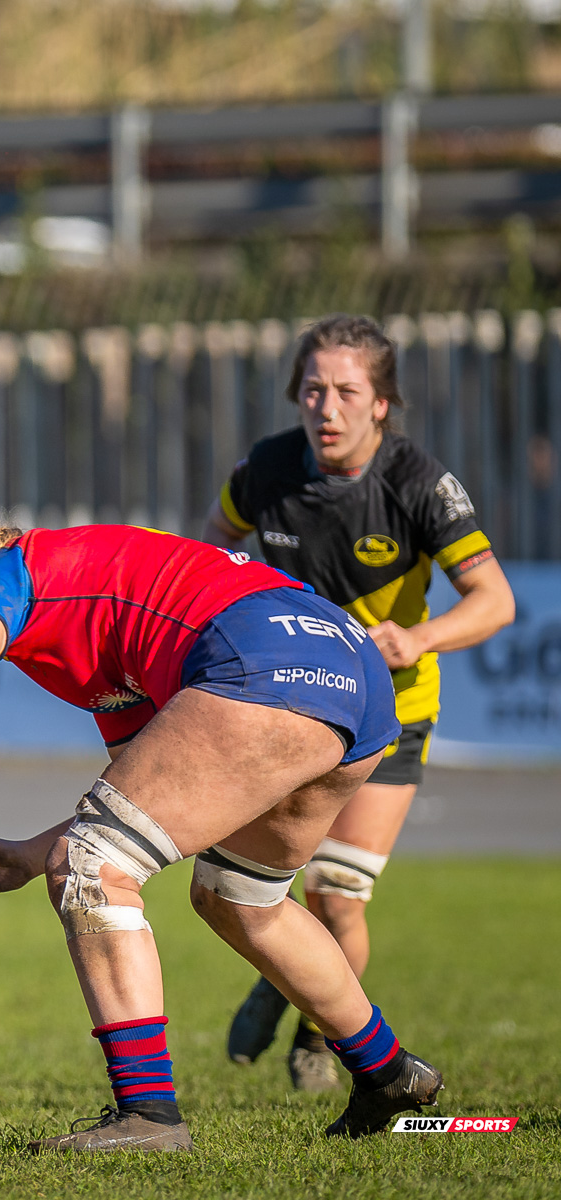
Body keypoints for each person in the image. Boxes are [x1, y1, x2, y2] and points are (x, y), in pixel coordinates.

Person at [0, 515, 446, 1150]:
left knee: (91, 865)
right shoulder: (90, 640)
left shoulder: (9, 575)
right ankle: (391, 1073)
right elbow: (162, 794)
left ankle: (149, 1114)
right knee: (240, 898)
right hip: (353, 677)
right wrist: (35, 854)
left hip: (263, 660)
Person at [203, 315, 514, 1089]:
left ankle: (317, 1030)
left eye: (347, 391)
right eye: (313, 390)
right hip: (285, 711)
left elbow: (495, 600)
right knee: (240, 886)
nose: (327, 408)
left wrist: (420, 637)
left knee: (336, 896)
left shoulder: (418, 483)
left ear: (381, 404)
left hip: (392, 714)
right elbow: (211, 556)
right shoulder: (262, 472)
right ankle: (287, 977)